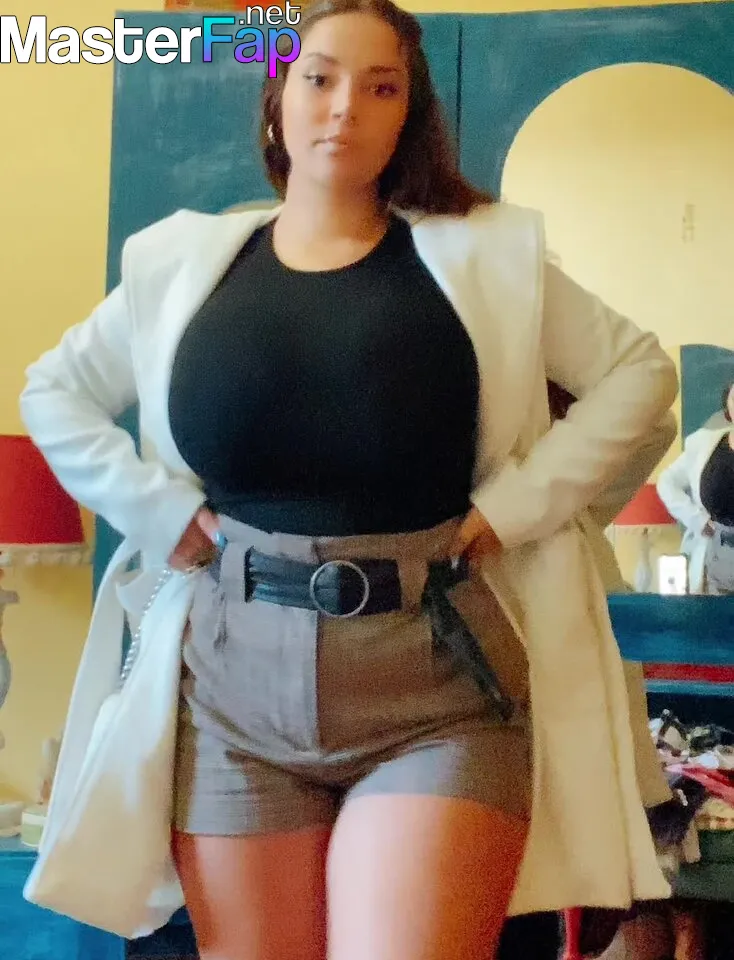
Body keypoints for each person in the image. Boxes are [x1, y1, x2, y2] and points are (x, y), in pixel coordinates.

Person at [19, 0, 678, 957]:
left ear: (410, 113)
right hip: (229, 683)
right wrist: (155, 511)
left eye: (381, 87)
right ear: (277, 99)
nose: (344, 109)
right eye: (319, 78)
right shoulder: (181, 265)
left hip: (437, 676)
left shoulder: (482, 254)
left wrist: (513, 508)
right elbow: (53, 390)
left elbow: (639, 374)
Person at [656, 381, 734, 595]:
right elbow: (667, 481)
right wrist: (696, 519)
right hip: (715, 555)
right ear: (727, 406)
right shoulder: (703, 444)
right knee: (714, 613)